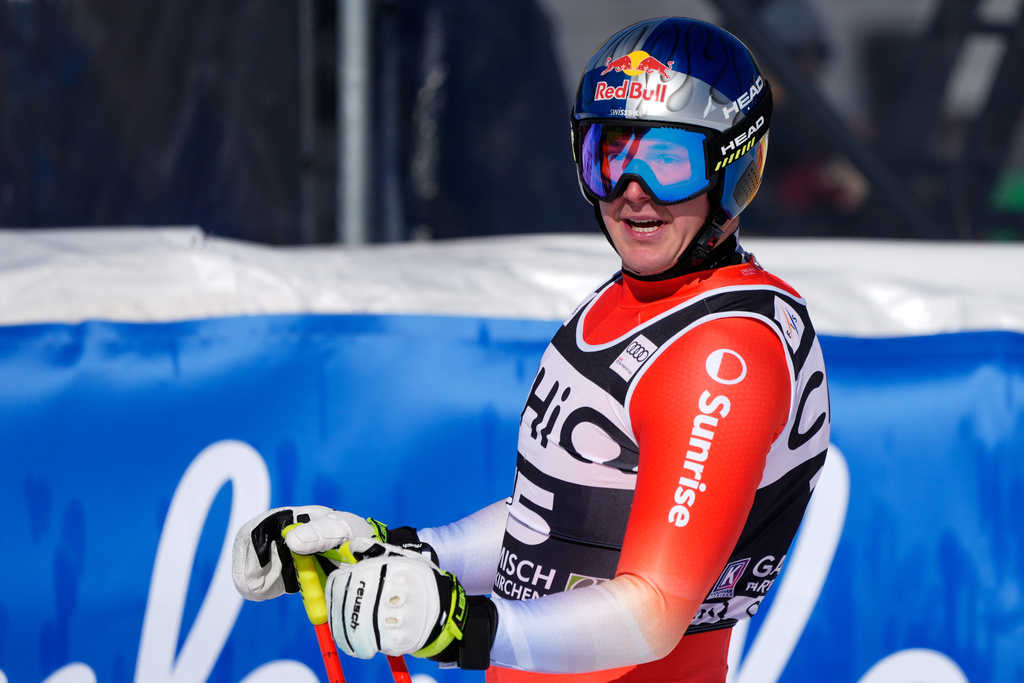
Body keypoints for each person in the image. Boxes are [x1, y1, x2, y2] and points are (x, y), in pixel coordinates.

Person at [231, 17, 830, 682]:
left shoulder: (722, 352)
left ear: (734, 166)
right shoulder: (629, 302)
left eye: (667, 160)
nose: (633, 189)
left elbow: (652, 612)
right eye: (609, 154)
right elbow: (550, 530)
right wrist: (397, 551)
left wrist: (462, 623)